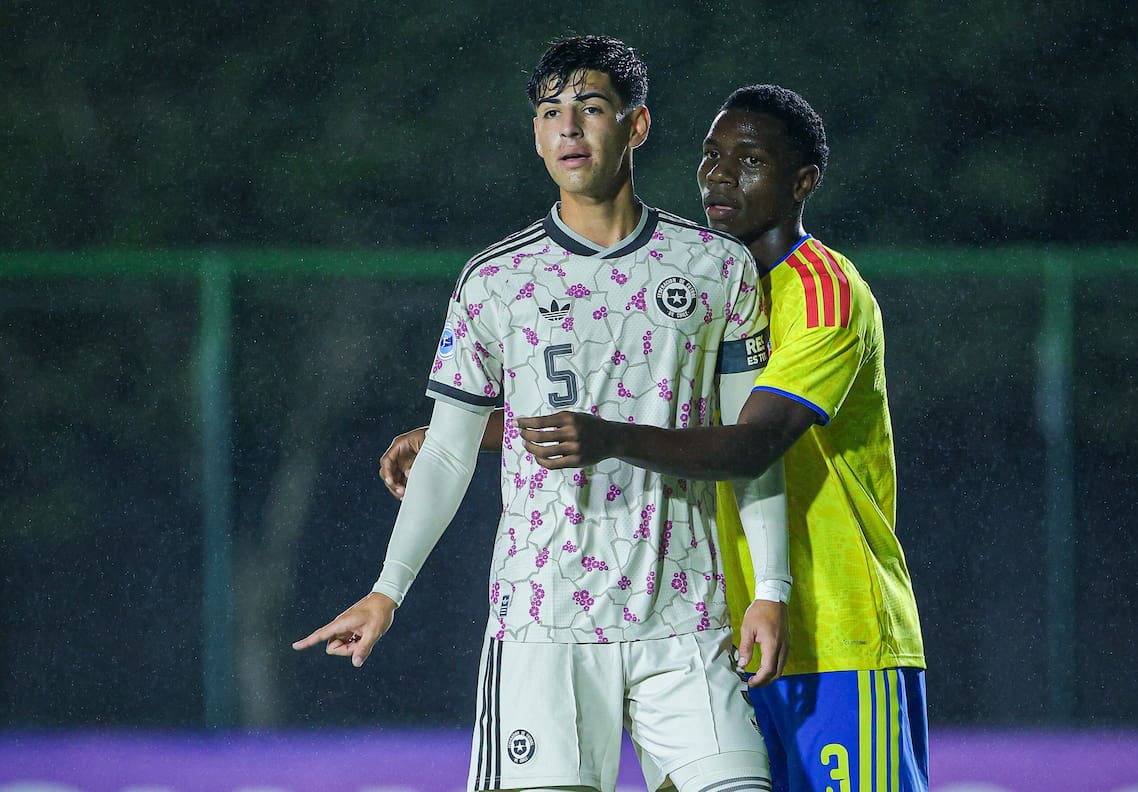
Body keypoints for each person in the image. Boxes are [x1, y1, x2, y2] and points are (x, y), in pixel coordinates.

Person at [382, 85, 929, 792]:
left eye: (750, 159)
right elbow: (656, 410)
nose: (720, 175)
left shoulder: (822, 292)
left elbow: (747, 444)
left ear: (803, 182)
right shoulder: (714, 286)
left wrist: (605, 438)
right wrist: (467, 432)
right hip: (730, 634)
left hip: (835, 637)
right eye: (711, 156)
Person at [295, 36, 792, 792]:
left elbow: (746, 446)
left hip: (686, 620)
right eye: (550, 112)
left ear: (637, 125)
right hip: (544, 624)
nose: (568, 129)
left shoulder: (715, 268)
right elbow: (451, 452)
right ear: (534, 132)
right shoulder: (495, 279)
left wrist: (772, 587)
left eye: (590, 109)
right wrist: (387, 590)